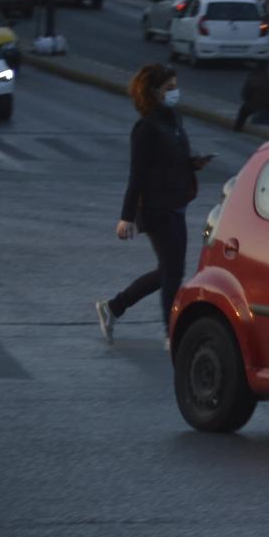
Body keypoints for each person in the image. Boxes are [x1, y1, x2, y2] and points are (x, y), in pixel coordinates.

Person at [95, 64, 209, 342]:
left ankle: (113, 307)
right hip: (157, 207)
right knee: (172, 272)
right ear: (154, 91)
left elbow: (175, 160)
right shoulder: (145, 128)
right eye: (169, 88)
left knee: (170, 270)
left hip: (177, 203)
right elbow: (138, 174)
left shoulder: (174, 120)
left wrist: (193, 163)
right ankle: (172, 334)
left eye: (175, 86)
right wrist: (127, 216)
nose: (175, 92)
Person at [236, 59, 269, 131]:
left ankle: (237, 128)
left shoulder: (251, 79)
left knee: (243, 112)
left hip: (253, 105)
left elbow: (244, 94)